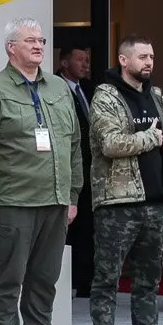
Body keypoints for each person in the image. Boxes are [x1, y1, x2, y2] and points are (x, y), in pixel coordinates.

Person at [0, 18, 85, 325]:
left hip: (54, 202)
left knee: (45, 280)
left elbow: (74, 145)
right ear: (11, 47)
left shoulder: (58, 88)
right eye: (30, 40)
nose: (38, 46)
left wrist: (72, 194)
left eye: (41, 40)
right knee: (8, 279)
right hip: (13, 202)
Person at [85, 36, 163, 325]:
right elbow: (109, 143)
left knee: (149, 282)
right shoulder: (105, 95)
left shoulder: (156, 96)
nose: (149, 62)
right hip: (118, 202)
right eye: (142, 56)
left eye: (152, 56)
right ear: (123, 60)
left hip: (155, 204)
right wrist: (148, 138)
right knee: (107, 279)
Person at [55, 38, 97, 298]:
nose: (85, 65)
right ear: (64, 62)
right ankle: (69, 281)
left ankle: (85, 280)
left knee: (88, 227)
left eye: (87, 60)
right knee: (70, 225)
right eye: (79, 59)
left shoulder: (90, 89)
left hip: (91, 170)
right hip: (69, 169)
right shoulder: (57, 89)